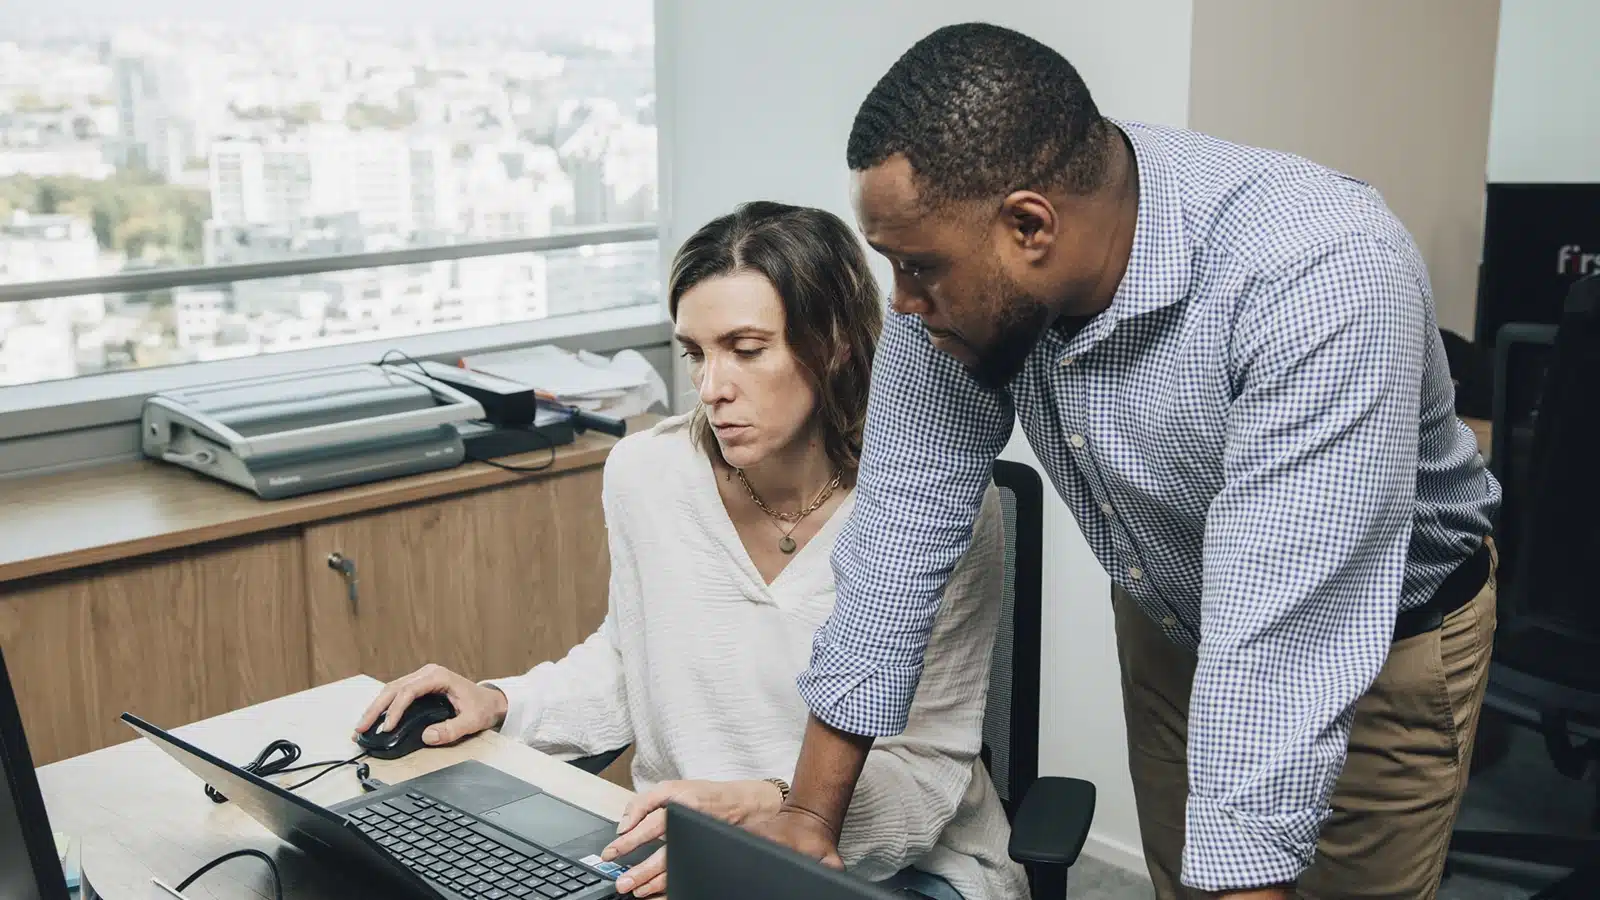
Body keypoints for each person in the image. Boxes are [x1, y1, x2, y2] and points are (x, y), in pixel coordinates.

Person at [750, 23, 1502, 900]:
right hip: (1170, 617)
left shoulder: (1319, 273)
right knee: (1186, 880)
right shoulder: (963, 278)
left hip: (1377, 640)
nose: (903, 303)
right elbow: (898, 531)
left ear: (1030, 225)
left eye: (917, 267)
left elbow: (1280, 644)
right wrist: (808, 820)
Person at [353, 201, 1029, 900]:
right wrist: (500, 702)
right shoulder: (647, 472)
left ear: (834, 345)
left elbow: (927, 771)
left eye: (747, 349)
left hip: (901, 869)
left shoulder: (931, 507)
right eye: (696, 354)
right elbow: (630, 662)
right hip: (685, 858)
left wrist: (770, 806)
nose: (711, 389)